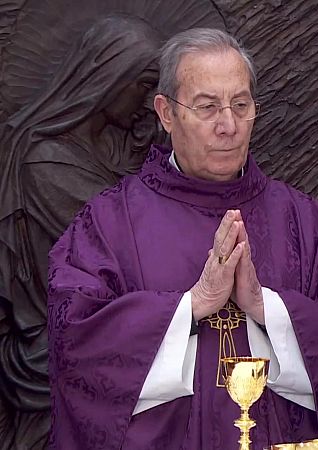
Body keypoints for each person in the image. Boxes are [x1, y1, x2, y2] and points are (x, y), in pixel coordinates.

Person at [47, 28, 318, 449]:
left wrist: (267, 308)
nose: (229, 126)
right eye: (207, 108)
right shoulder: (109, 222)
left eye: (241, 105)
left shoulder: (301, 219)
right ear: (166, 113)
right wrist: (192, 305)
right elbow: (74, 344)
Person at [0, 15, 161, 449]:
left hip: (115, 338)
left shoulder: (102, 151)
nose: (148, 102)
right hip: (64, 348)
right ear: (109, 77)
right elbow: (127, 242)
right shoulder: (47, 163)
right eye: (143, 85)